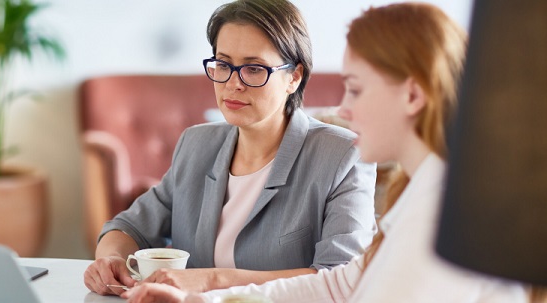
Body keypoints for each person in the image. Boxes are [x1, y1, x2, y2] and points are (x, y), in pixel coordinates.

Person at [122, 3, 529, 302]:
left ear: (412, 95)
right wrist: (200, 298)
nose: (342, 110)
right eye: (224, 65)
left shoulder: (442, 213)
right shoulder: (416, 192)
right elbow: (340, 284)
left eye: (354, 88)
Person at [83, 0, 377, 296]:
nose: (233, 83)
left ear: (294, 77)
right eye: (223, 64)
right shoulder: (196, 144)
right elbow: (128, 227)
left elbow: (343, 278)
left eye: (253, 69)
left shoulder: (344, 155)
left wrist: (213, 280)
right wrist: (111, 260)